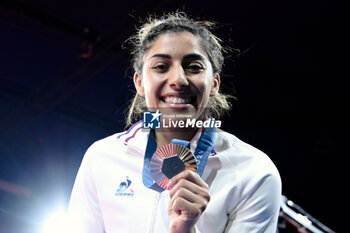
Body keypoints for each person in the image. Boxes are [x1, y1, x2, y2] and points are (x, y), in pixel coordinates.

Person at [68, 12, 282, 233]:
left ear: (215, 84)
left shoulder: (254, 171)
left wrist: (185, 230)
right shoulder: (101, 157)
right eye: (161, 66)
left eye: (194, 67)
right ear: (140, 83)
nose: (178, 79)